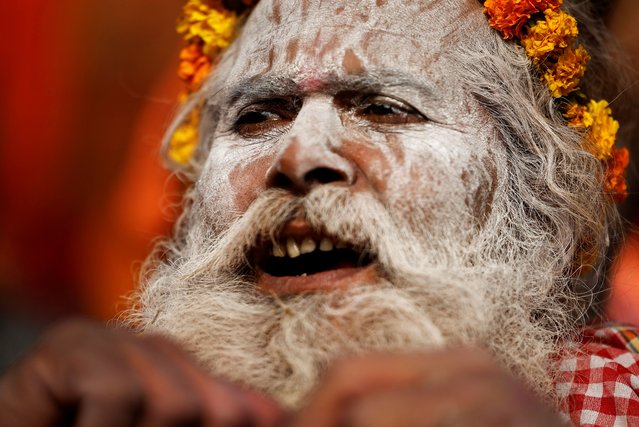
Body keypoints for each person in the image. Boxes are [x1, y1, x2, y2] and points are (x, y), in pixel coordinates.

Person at [1, 0, 638, 425]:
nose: (300, 157)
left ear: (549, 213)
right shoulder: (109, 405)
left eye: (385, 109)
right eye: (258, 116)